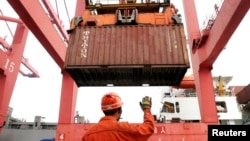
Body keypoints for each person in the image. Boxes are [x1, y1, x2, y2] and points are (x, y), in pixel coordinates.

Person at [81, 92, 155, 141]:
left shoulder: (88, 135)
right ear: (120, 110)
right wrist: (147, 110)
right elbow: (148, 129)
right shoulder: (125, 129)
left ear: (103, 110)